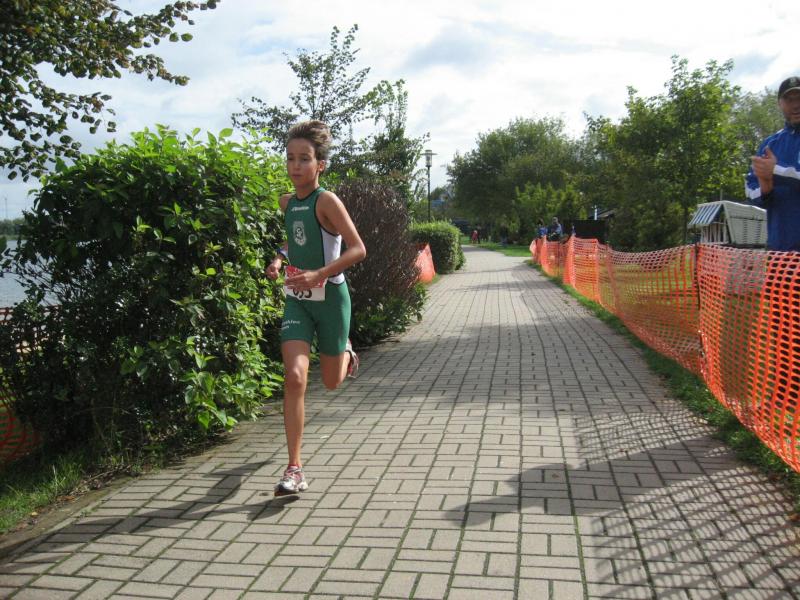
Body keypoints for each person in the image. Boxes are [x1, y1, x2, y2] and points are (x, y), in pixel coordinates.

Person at [266, 120, 367, 496]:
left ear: (320, 164)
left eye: (304, 159)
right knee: (294, 378)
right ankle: (294, 468)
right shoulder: (287, 203)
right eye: (290, 158)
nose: (295, 166)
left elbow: (358, 249)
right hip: (298, 300)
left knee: (331, 382)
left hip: (331, 301)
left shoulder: (327, 201)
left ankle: (346, 352)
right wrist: (279, 259)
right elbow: (294, 241)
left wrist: (319, 274)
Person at [746, 76, 800, 251]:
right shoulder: (770, 144)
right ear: (779, 104)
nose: (796, 105)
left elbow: (775, 171)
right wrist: (765, 189)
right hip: (780, 252)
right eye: (789, 99)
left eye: (799, 98)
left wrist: (775, 171)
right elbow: (750, 191)